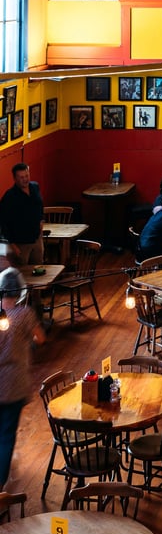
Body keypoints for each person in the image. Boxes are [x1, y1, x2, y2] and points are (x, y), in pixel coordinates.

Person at [0, 248, 46, 490]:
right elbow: (41, 338)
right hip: (14, 382)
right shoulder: (24, 314)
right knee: (7, 435)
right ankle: (0, 485)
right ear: (19, 290)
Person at [0, 162, 44, 265]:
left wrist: (42, 219)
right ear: (15, 179)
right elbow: (3, 221)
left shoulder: (35, 187)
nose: (25, 179)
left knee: (38, 268)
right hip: (21, 243)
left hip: (37, 239)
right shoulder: (9, 196)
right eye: (21, 177)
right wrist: (12, 245)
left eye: (27, 175)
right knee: (23, 273)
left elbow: (40, 204)